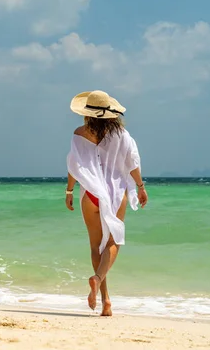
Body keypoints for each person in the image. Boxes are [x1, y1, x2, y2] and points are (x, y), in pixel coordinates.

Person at [65, 90, 148, 317]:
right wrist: (140, 187)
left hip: (90, 193)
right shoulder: (122, 134)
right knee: (113, 241)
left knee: (95, 246)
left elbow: (75, 165)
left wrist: (69, 190)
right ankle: (98, 279)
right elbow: (132, 164)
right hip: (115, 193)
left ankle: (106, 300)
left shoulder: (79, 133)